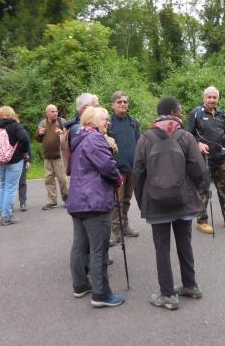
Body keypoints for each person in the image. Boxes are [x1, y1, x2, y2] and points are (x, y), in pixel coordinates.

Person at [133, 97, 208, 310]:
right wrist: (200, 192)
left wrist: (142, 201)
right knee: (185, 244)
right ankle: (190, 286)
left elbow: (137, 172)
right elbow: (200, 170)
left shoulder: (145, 138)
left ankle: (167, 295)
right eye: (181, 111)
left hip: (156, 204)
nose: (183, 114)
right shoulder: (185, 137)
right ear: (174, 113)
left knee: (162, 249)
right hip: (183, 201)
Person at [67, 106, 125, 308]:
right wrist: (118, 179)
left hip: (78, 200)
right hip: (94, 201)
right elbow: (108, 166)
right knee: (99, 248)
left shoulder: (79, 137)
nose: (107, 122)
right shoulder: (95, 138)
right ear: (92, 121)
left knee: (79, 245)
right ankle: (101, 294)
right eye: (104, 119)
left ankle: (80, 284)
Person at [186, 86, 225, 234]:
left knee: (224, 189)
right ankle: (202, 221)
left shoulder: (221, 114)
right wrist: (198, 143)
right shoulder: (196, 113)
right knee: (204, 190)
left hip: (221, 158)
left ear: (218, 98)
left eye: (214, 97)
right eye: (209, 97)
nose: (212, 100)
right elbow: (187, 135)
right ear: (204, 98)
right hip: (203, 159)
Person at [0, 106, 29, 226]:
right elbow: (24, 139)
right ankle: (6, 216)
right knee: (10, 187)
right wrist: (23, 152)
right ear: (11, 114)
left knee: (3, 185)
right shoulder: (15, 125)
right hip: (14, 160)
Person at [108, 91, 140, 246]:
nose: (122, 104)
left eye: (125, 102)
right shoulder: (108, 123)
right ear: (112, 104)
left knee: (127, 200)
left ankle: (125, 225)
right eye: (119, 101)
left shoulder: (133, 122)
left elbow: (139, 143)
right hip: (116, 170)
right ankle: (115, 231)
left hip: (132, 168)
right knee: (116, 202)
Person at [35, 104, 69, 210]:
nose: (55, 113)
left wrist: (62, 133)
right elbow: (37, 139)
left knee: (62, 179)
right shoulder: (42, 123)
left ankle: (67, 199)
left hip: (59, 155)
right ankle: (52, 201)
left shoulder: (62, 121)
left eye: (56, 111)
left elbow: (69, 135)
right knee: (48, 179)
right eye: (52, 111)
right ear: (47, 113)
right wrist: (39, 133)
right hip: (47, 156)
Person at [18, 128, 32, 211]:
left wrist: (28, 161)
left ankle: (23, 202)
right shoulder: (5, 131)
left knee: (22, 182)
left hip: (22, 159)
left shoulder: (22, 131)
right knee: (10, 185)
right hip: (10, 161)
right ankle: (9, 204)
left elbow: (28, 146)